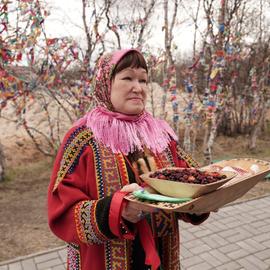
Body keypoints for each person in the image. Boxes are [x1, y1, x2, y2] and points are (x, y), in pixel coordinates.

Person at [47, 48, 209, 270]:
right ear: (106, 83)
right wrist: (117, 210)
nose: (138, 88)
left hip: (161, 259)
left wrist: (202, 201)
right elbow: (62, 211)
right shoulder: (82, 139)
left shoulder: (160, 135)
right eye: (127, 78)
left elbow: (188, 182)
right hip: (103, 261)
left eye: (143, 80)